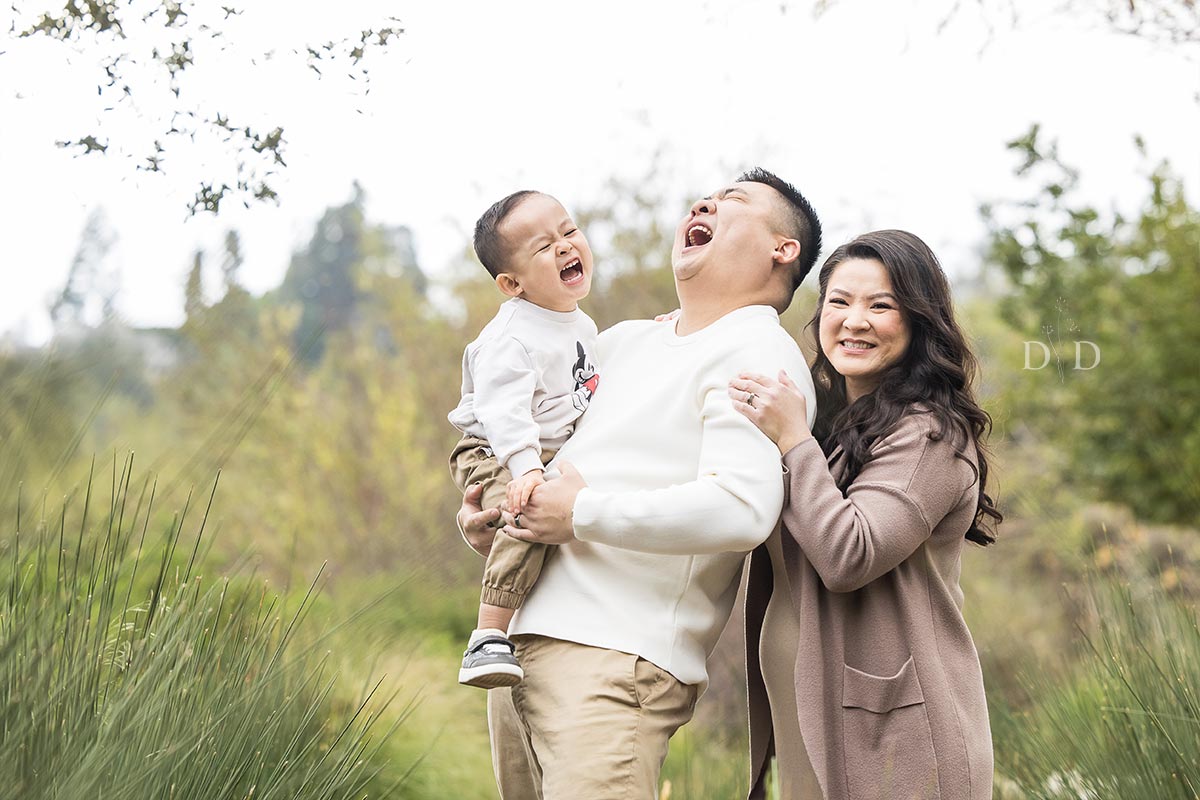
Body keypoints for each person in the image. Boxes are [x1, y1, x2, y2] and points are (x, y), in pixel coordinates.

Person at [457, 168, 822, 799]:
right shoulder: (621, 343)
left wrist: (581, 513)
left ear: (780, 250)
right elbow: (551, 465)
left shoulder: (759, 353)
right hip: (520, 649)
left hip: (615, 662)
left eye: (734, 201)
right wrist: (495, 522)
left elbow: (741, 510)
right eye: (706, 196)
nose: (704, 201)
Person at [728, 230, 1001, 800]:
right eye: (840, 301)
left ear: (920, 322)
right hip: (806, 713)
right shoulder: (826, 422)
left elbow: (848, 555)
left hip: (897, 736)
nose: (855, 321)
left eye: (881, 305)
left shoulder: (928, 433)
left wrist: (793, 439)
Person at [448, 190, 600, 689]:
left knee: (546, 502)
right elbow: (502, 412)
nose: (563, 246)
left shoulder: (582, 324)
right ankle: (487, 635)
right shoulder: (509, 338)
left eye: (568, 231)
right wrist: (525, 468)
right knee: (530, 512)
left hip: (539, 452)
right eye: (543, 246)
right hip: (492, 449)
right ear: (512, 284)